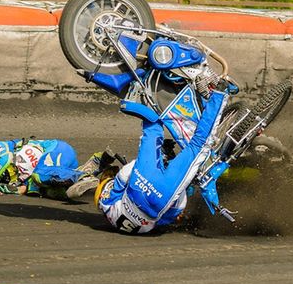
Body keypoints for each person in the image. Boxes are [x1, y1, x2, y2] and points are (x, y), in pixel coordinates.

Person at [95, 90, 227, 234]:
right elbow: (125, 174)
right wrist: (145, 165)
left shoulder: (119, 219)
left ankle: (220, 93)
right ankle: (140, 93)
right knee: (152, 127)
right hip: (140, 183)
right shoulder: (106, 204)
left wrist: (181, 188)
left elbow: (176, 209)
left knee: (199, 145)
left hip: (160, 201)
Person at [0, 138, 114, 198]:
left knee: (39, 175)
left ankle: (81, 177)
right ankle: (96, 169)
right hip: (53, 168)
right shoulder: (5, 180)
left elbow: (5, 160)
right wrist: (15, 190)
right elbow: (27, 189)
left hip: (56, 150)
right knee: (52, 192)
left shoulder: (0, 148)